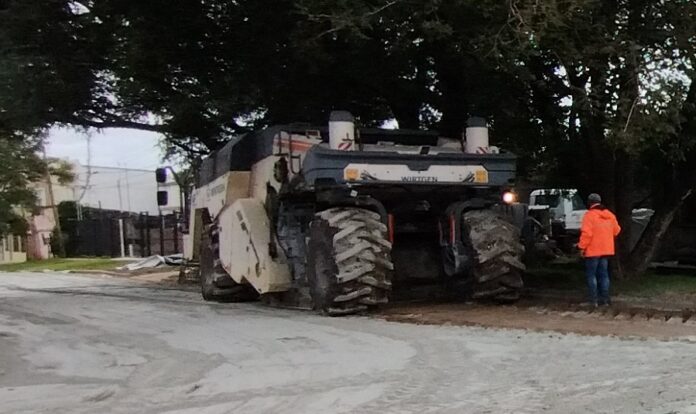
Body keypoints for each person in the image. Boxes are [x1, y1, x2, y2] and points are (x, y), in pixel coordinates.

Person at [577, 193, 621, 307]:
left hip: (592, 250)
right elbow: (617, 230)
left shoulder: (589, 215)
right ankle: (605, 300)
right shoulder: (610, 215)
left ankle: (593, 300)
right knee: (604, 275)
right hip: (606, 250)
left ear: (589, 202)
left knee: (591, 275)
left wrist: (581, 247)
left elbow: (587, 234)